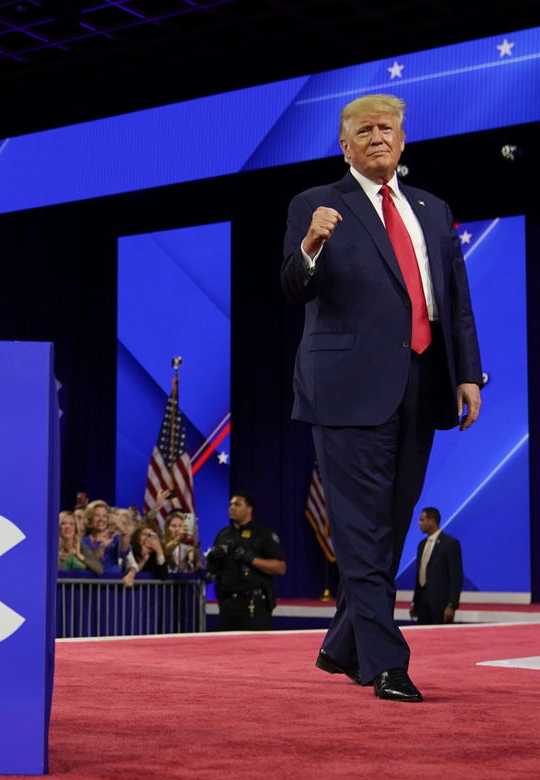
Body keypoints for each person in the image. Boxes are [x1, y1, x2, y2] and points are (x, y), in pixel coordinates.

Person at [282, 94, 482, 701]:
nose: (376, 137)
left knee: (392, 525)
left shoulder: (432, 207)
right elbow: (293, 287)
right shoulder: (315, 204)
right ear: (344, 145)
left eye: (386, 129)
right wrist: (311, 245)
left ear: (402, 140)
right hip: (344, 389)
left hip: (421, 385)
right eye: (363, 130)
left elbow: (454, 299)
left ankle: (343, 643)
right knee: (359, 528)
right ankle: (385, 662)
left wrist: (468, 373)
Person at [206, 493, 286, 630]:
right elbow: (211, 573)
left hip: (253, 605)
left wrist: (251, 559)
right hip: (227, 604)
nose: (232, 507)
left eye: (237, 504)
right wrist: (212, 560)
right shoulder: (223, 534)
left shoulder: (263, 534)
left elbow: (280, 568)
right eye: (230, 504)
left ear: (249, 509)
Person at [410, 507, 463, 625]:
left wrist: (451, 605)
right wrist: (415, 603)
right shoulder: (421, 545)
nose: (419, 523)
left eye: (422, 520)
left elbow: (456, 577)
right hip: (422, 602)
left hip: (441, 604)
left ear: (432, 521)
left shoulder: (450, 544)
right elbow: (420, 574)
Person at [122, 519, 169, 586]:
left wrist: (159, 550)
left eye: (150, 535)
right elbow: (130, 569)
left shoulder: (156, 554)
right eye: (144, 534)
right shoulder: (132, 550)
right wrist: (144, 559)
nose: (147, 538)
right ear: (137, 536)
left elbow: (163, 576)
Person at [58, 510, 104, 575]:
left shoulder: (82, 548)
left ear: (75, 528)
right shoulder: (53, 548)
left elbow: (100, 570)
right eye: (63, 523)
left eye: (71, 524)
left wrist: (79, 555)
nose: (67, 527)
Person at [82, 499, 124, 570]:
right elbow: (90, 563)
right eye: (97, 515)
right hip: (92, 580)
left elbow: (125, 552)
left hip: (113, 580)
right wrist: (102, 546)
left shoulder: (115, 539)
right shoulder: (83, 541)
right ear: (89, 518)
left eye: (104, 516)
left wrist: (120, 527)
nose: (101, 519)